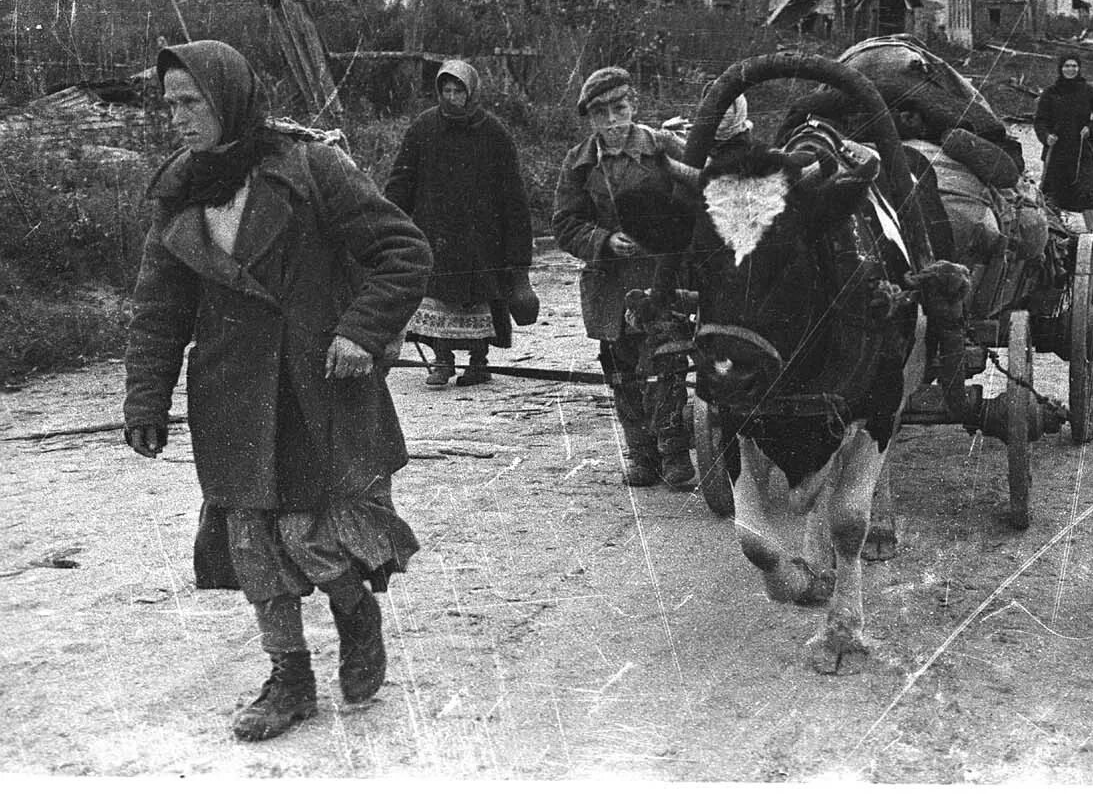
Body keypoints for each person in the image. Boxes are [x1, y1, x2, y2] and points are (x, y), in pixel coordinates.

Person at [123, 40, 432, 740]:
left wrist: (360, 329)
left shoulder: (309, 167)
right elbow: (159, 308)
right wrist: (146, 399)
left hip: (310, 384)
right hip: (230, 393)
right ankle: (289, 677)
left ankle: (355, 614)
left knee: (309, 533)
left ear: (228, 96)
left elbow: (404, 250)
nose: (177, 116)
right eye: (169, 102)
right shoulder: (178, 188)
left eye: (190, 101)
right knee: (251, 541)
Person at [553, 67, 695, 489]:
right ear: (590, 120)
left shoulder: (666, 150)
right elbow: (564, 223)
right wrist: (603, 239)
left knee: (666, 363)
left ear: (634, 106)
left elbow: (698, 204)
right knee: (622, 372)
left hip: (661, 279)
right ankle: (641, 454)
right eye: (601, 114)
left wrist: (667, 238)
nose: (613, 122)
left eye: (619, 109)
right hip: (610, 287)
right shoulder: (580, 164)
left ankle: (675, 453)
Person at [385, 59, 537, 388]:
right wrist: (387, 223)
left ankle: (478, 362)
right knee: (437, 298)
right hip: (435, 231)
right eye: (446, 90)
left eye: (459, 91)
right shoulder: (423, 128)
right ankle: (442, 361)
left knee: (479, 300)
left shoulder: (493, 132)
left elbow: (513, 194)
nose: (452, 97)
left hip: (482, 236)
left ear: (471, 93)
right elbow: (401, 182)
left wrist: (518, 254)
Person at [1034, 54, 1093, 235]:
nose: (1071, 69)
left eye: (1074, 66)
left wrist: (1091, 129)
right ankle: (1055, 229)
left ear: (1079, 68)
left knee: (1086, 190)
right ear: (1060, 68)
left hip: (1083, 150)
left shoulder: (1087, 90)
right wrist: (1046, 136)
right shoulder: (1050, 93)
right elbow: (1039, 121)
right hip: (1057, 149)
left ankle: (1092, 232)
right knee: (1053, 190)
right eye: (1067, 66)